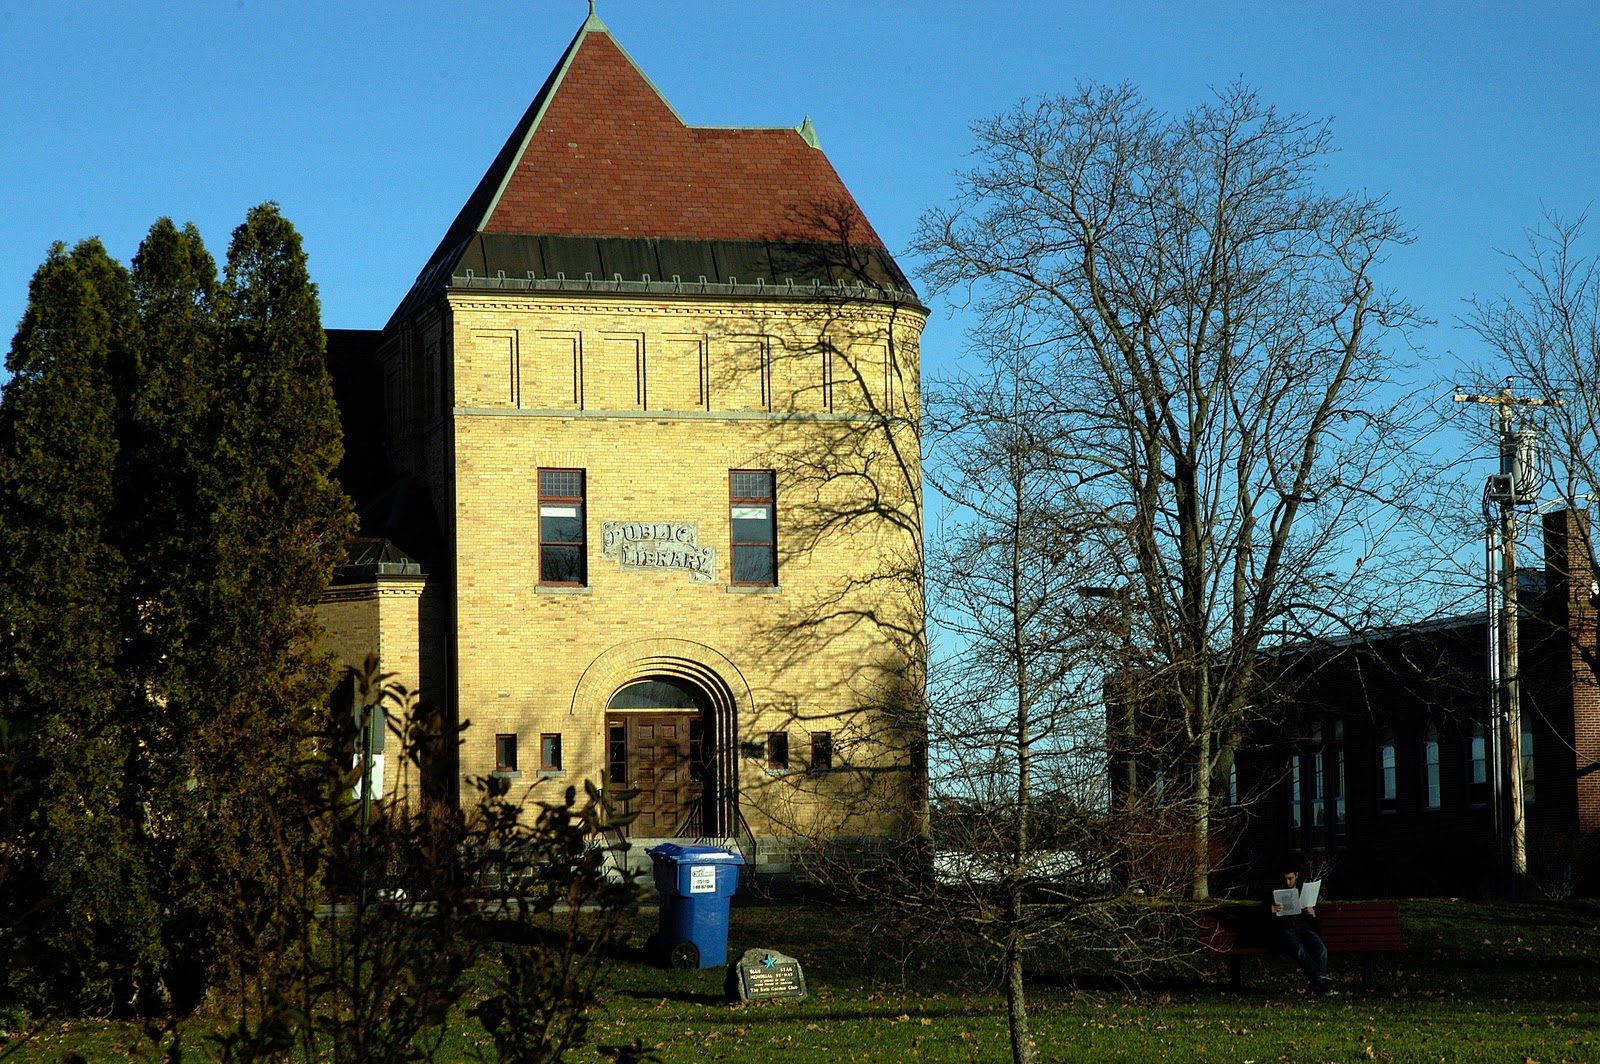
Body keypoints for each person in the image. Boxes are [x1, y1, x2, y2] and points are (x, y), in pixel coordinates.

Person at [1266, 859, 1334, 995]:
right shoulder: (1273, 892)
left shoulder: (1304, 891)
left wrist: (1313, 914)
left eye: (1290, 879)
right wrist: (1270, 910)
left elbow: (1317, 925)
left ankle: (1318, 985)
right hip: (1285, 930)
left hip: (1304, 928)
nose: (1287, 882)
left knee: (1321, 949)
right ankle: (1321, 982)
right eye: (1285, 879)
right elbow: (1265, 921)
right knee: (1299, 950)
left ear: (1296, 876)